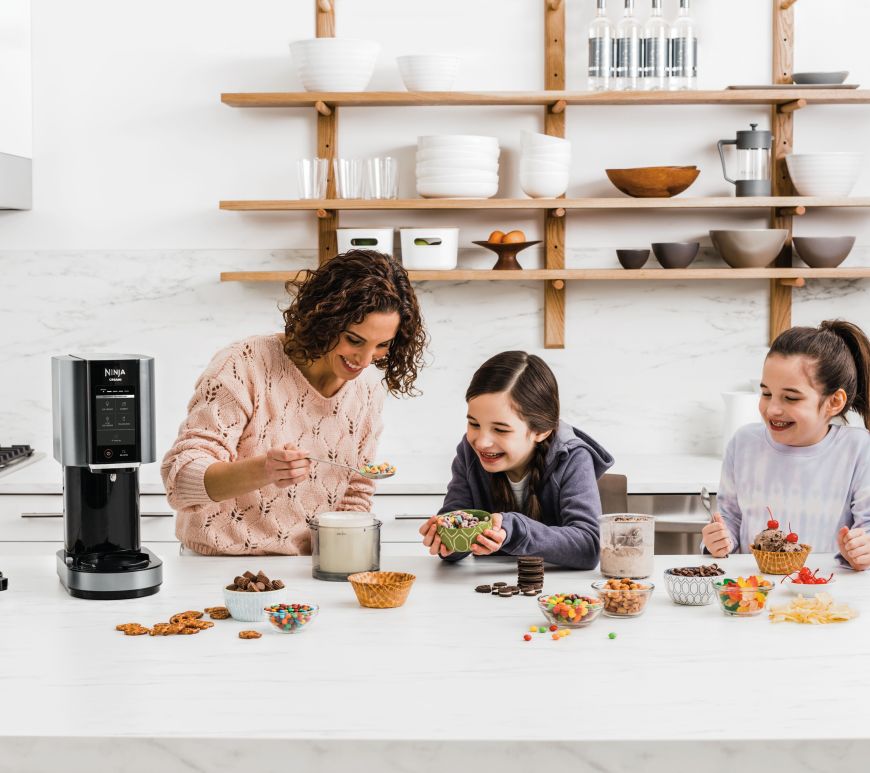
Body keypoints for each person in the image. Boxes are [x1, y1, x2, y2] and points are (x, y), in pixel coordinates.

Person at [162, 250, 427, 556]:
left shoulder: (366, 390)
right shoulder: (243, 365)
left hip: (304, 567)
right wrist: (265, 470)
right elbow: (179, 482)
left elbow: (355, 491)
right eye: (354, 340)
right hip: (215, 565)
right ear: (327, 319)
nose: (366, 360)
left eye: (382, 345)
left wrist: (343, 562)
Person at [418, 351, 613, 569]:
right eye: (474, 424)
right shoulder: (469, 452)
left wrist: (515, 530)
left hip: (556, 593)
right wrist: (449, 539)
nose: (481, 442)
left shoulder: (572, 457)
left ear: (542, 430)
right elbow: (458, 517)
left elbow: (588, 547)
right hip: (486, 594)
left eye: (500, 429)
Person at [702, 319, 870, 571]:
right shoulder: (744, 443)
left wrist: (862, 550)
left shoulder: (858, 448)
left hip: (826, 593)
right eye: (766, 393)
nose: (773, 409)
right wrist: (718, 541)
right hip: (755, 590)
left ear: (834, 402)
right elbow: (730, 519)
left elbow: (866, 529)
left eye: (791, 397)